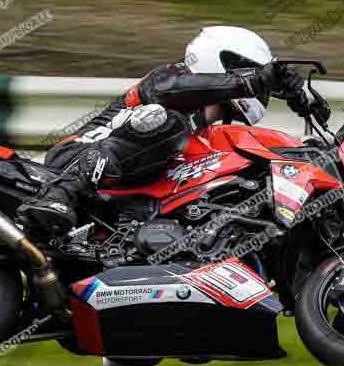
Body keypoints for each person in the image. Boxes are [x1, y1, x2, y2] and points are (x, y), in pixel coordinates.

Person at [18, 26, 310, 234]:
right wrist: (252, 82)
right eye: (250, 71)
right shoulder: (171, 78)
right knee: (167, 123)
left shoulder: (202, 125)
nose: (258, 86)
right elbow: (171, 93)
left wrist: (301, 98)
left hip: (122, 192)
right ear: (228, 62)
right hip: (75, 160)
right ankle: (57, 194)